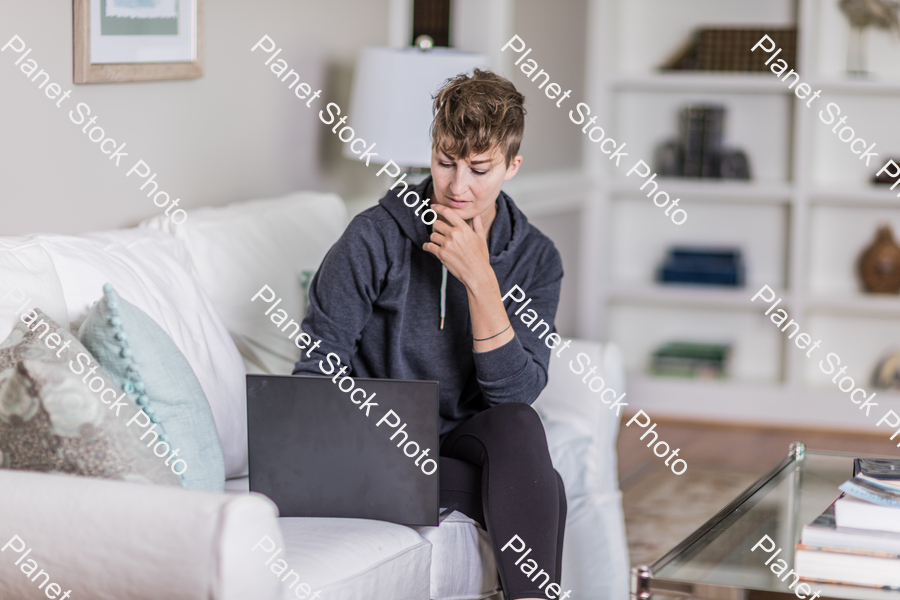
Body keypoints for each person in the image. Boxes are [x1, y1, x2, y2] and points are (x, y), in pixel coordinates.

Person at [293, 68, 566, 600]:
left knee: (519, 424)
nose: (458, 186)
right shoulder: (373, 238)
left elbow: (514, 394)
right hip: (379, 442)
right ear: (433, 151)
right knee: (543, 490)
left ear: (513, 166)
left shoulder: (536, 258)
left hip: (464, 446)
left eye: (480, 168)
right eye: (446, 162)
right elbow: (314, 377)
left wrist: (481, 280)